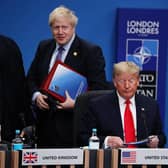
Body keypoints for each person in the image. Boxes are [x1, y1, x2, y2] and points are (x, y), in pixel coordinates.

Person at [26, 5, 107, 148]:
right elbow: (31, 78)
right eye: (56, 27)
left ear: (73, 27)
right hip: (45, 127)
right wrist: (36, 95)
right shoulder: (44, 47)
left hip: (74, 126)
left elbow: (100, 89)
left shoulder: (90, 51)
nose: (60, 32)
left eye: (65, 27)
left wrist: (77, 103)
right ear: (51, 29)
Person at [80, 61, 166, 148]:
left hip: (142, 159)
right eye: (122, 81)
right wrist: (106, 141)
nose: (127, 86)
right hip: (111, 158)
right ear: (115, 82)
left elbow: (161, 136)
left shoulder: (150, 105)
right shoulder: (97, 106)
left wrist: (157, 140)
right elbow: (83, 137)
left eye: (131, 81)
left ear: (138, 81)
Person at [0, 35, 26, 142]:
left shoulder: (8, 45)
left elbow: (19, 84)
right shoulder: (9, 44)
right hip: (10, 121)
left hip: (8, 120)